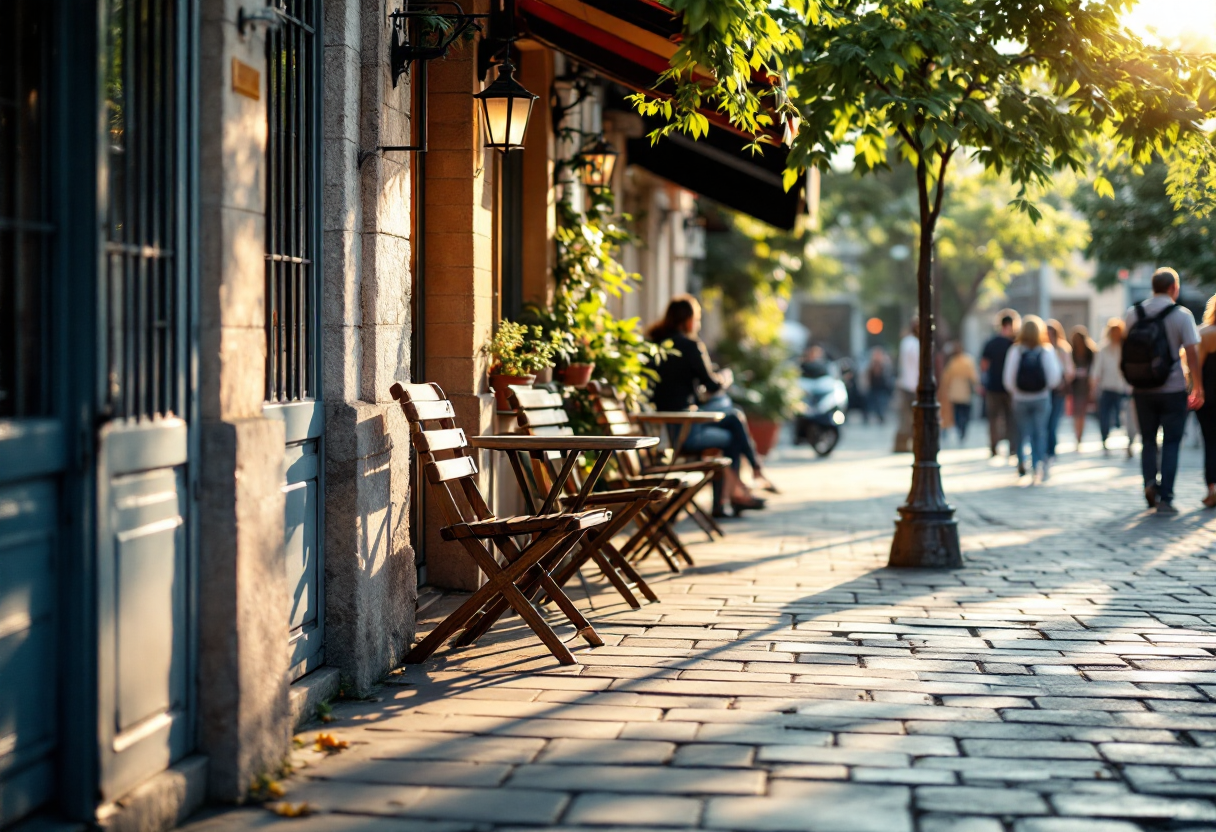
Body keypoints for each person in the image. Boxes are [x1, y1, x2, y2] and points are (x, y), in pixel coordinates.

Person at [646, 296, 769, 517]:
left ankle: (737, 491)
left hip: (665, 426)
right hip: (685, 431)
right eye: (698, 319)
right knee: (733, 425)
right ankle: (738, 489)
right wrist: (725, 378)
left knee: (732, 419)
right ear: (689, 320)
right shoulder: (690, 345)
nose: (699, 324)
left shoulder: (655, 344)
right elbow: (711, 383)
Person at [1123, 268, 1203, 514]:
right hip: (1172, 388)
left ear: (1152, 286)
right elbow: (1191, 353)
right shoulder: (1181, 314)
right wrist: (1197, 386)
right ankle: (1166, 497)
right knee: (1171, 442)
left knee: (1148, 440)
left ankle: (1149, 483)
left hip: (1141, 388)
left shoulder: (1132, 313)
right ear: (1174, 288)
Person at [1003, 316, 1063, 482]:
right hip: (1041, 398)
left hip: (1020, 399)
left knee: (1022, 432)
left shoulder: (1016, 350)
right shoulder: (1046, 350)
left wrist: (1015, 391)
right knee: (1039, 432)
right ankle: (1037, 463)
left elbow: (1008, 378)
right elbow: (1054, 377)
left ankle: (1022, 461)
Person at [980, 310, 1020, 461]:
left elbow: (983, 365)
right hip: (1011, 388)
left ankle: (993, 447)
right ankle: (1012, 448)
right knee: (1011, 418)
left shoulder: (991, 342)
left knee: (993, 418)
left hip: (993, 386)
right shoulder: (1014, 343)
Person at [1092, 318, 1133, 458]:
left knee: (1126, 418)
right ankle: (1105, 440)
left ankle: (1129, 443)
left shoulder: (1126, 347)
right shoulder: (1103, 348)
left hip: (1123, 388)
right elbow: (1096, 370)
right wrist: (1094, 387)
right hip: (1107, 387)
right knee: (1104, 416)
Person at [1195, 295, 1216, 507]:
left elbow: (1196, 368)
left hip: (1208, 397)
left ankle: (1212, 488)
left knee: (1210, 443)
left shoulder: (1205, 334)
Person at [1045, 320, 1075, 459]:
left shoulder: (1063, 349)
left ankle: (1051, 449)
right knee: (1045, 422)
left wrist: (1063, 381)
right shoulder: (1043, 348)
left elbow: (1070, 371)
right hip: (1044, 390)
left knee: (1053, 422)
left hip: (1058, 391)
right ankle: (1045, 448)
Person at [940, 342, 979, 443]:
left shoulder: (952, 362)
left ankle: (959, 427)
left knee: (957, 412)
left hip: (954, 391)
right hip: (965, 390)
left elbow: (946, 378)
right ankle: (963, 429)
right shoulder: (968, 361)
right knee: (965, 412)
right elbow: (973, 376)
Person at [1070, 325, 1098, 451]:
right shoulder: (1072, 352)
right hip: (1075, 386)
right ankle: (1077, 435)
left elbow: (1094, 369)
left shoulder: (1090, 352)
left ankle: (1080, 435)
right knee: (1076, 412)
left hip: (1086, 386)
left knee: (1082, 413)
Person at [893, 318, 919, 453]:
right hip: (913, 385)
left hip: (906, 384)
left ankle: (903, 444)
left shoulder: (906, 342)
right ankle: (906, 444)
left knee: (905, 417)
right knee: (911, 417)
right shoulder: (914, 343)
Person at [865, 346, 893, 424]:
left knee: (881, 402)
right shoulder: (871, 365)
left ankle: (881, 416)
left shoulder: (884, 365)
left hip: (881, 388)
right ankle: (871, 416)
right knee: (871, 403)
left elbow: (887, 377)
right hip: (874, 388)